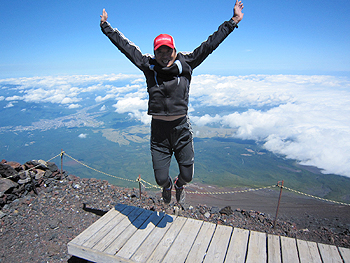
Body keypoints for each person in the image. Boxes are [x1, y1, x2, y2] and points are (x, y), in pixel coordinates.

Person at [100, 0, 244, 204]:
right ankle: (167, 186)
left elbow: (210, 44)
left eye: (168, 50)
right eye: (160, 51)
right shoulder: (148, 65)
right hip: (159, 133)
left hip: (181, 130)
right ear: (155, 52)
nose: (164, 55)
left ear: (174, 50)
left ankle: (178, 184)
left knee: (188, 176)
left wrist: (234, 21)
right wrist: (106, 27)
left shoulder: (187, 62)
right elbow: (126, 47)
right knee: (159, 179)